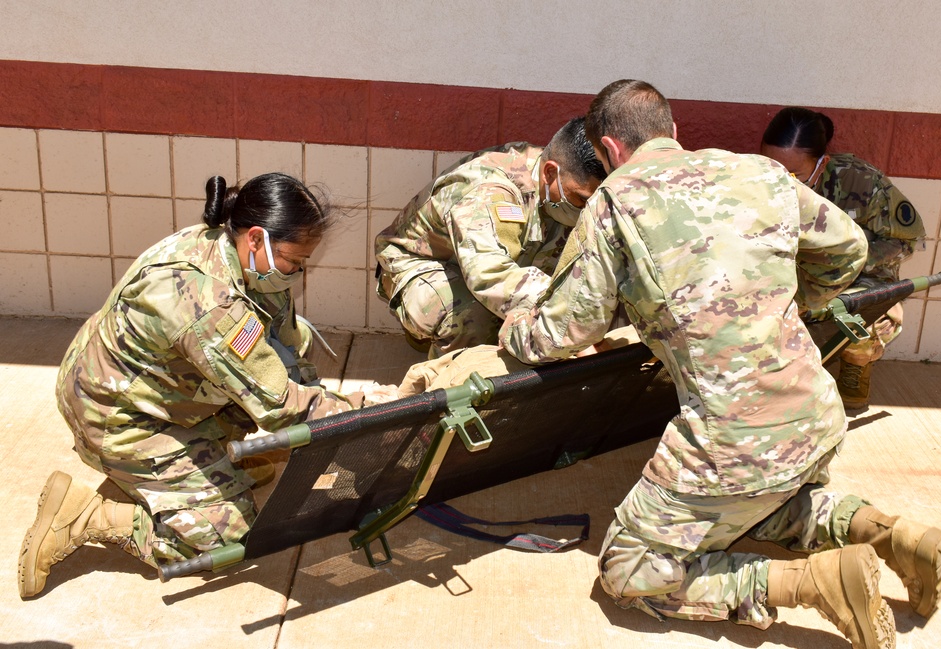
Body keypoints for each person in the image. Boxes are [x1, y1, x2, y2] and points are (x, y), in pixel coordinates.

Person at [500, 80, 941, 648]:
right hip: (815, 418)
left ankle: (810, 583)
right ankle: (896, 537)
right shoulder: (761, 174)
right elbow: (849, 249)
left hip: (731, 443)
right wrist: (788, 304)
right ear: (673, 132)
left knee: (629, 568)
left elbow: (561, 331)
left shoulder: (615, 203)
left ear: (611, 149)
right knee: (757, 507)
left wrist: (515, 322)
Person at [19, 173, 391, 599]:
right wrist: (367, 413)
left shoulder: (239, 256)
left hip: (157, 391)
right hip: (117, 417)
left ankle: (209, 467)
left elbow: (285, 358)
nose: (299, 271)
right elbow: (279, 402)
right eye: (295, 260)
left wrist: (336, 410)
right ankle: (88, 516)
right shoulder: (209, 304)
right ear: (257, 238)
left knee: (269, 367)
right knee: (233, 539)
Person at [374, 116, 606, 358]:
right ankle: (448, 386)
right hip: (420, 266)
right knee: (473, 315)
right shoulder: (488, 189)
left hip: (491, 264)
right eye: (581, 199)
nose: (587, 209)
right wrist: (570, 321)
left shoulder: (562, 186)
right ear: (550, 173)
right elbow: (489, 274)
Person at [761, 107, 927, 409]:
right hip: (791, 272)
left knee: (864, 311)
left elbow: (906, 239)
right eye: (774, 169)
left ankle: (856, 362)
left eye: (795, 174)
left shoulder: (861, 183)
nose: (783, 181)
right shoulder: (751, 178)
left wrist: (846, 258)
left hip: (852, 277)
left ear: (821, 164)